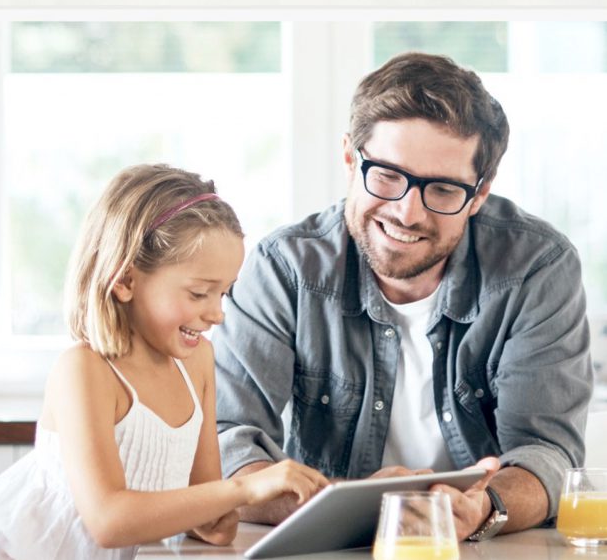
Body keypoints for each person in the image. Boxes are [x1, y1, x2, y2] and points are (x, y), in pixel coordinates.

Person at [212, 53, 593, 541]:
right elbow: (230, 444)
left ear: (478, 195)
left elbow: (546, 452)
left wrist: (484, 507)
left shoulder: (537, 267)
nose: (407, 212)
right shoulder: (284, 268)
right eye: (387, 175)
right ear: (351, 159)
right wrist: (340, 504)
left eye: (442, 189)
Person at [0, 164, 328, 560]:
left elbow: (207, 506)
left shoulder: (197, 362)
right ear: (127, 281)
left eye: (224, 293)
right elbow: (108, 521)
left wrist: (216, 516)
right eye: (199, 293)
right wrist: (244, 489)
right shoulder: (85, 372)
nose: (217, 314)